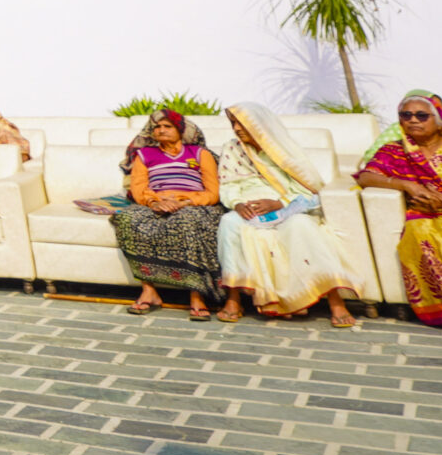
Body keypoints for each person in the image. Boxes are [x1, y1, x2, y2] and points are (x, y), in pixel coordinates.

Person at [213, 102, 362, 327]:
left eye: (241, 123)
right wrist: (237, 204)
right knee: (228, 223)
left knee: (301, 225)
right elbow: (228, 185)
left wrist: (278, 203)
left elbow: (308, 188)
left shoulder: (281, 149)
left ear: (258, 124)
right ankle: (233, 299)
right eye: (233, 123)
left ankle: (336, 302)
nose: (236, 129)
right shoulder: (232, 149)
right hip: (248, 207)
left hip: (288, 206)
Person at [354, 89, 442, 340]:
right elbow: (366, 176)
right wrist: (406, 185)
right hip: (429, 216)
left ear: (439, 121)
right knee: (421, 235)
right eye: (406, 115)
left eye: (421, 115)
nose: (413, 120)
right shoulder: (394, 151)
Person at [111, 107, 224, 318]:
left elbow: (213, 192)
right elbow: (138, 189)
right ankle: (149, 290)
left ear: (180, 130)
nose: (161, 130)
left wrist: (186, 202)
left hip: (192, 204)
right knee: (126, 218)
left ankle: (197, 294)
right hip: (157, 202)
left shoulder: (200, 154)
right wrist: (154, 202)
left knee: (188, 221)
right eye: (157, 127)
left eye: (167, 126)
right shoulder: (144, 155)